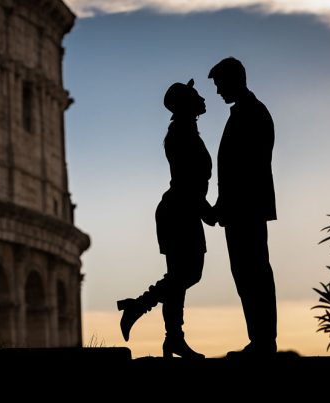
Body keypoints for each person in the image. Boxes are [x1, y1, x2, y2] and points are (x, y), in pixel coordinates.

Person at [117, 79, 215, 358]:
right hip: (180, 211)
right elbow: (187, 180)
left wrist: (205, 210)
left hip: (183, 210)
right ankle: (139, 308)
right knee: (188, 274)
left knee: (181, 276)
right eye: (196, 95)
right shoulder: (182, 133)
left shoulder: (186, 131)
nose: (203, 98)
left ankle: (172, 337)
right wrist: (207, 212)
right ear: (186, 103)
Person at [208, 57, 278, 355]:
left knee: (253, 273)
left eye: (220, 84)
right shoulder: (247, 112)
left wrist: (222, 205)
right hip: (241, 208)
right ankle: (260, 339)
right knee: (248, 273)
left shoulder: (251, 113)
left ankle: (263, 341)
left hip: (245, 209)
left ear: (234, 80)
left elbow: (245, 169)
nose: (218, 91)